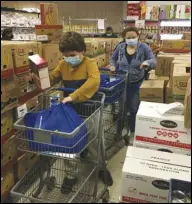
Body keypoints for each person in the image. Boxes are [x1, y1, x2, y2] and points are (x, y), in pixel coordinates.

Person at [33, 31, 113, 193]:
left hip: (90, 108)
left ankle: (101, 168)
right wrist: (38, 78)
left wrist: (73, 96)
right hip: (69, 112)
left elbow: (94, 81)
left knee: (96, 141)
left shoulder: (90, 63)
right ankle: (71, 175)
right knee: (68, 143)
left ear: (82, 51)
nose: (69, 58)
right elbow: (53, 78)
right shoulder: (63, 65)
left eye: (73, 55)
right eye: (66, 55)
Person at [109, 27, 156, 145]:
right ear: (124, 38)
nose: (131, 39)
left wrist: (147, 62)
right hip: (121, 83)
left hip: (136, 83)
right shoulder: (120, 47)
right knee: (121, 109)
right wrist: (112, 66)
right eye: (128, 37)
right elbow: (113, 58)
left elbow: (153, 60)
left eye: (133, 37)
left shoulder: (143, 47)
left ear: (138, 36)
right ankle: (118, 132)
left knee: (133, 108)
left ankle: (132, 131)